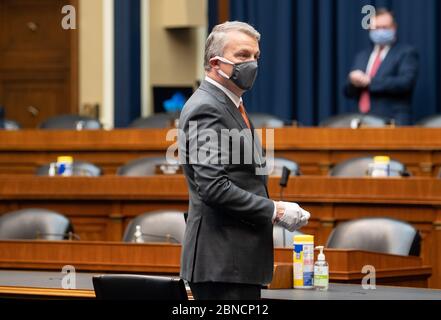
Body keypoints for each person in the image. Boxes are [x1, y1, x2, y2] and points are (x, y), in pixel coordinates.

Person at [178, 21, 311, 300]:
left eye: (255, 57)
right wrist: (275, 210)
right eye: (242, 56)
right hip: (223, 263)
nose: (252, 64)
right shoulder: (207, 107)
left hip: (236, 262)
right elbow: (213, 187)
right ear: (216, 62)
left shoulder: (230, 104)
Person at [344, 9, 419, 125]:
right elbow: (348, 91)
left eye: (384, 27)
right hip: (362, 121)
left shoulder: (406, 52)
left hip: (393, 121)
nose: (380, 31)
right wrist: (353, 81)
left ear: (393, 27)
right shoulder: (362, 55)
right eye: (376, 28)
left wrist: (370, 81)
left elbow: (405, 83)